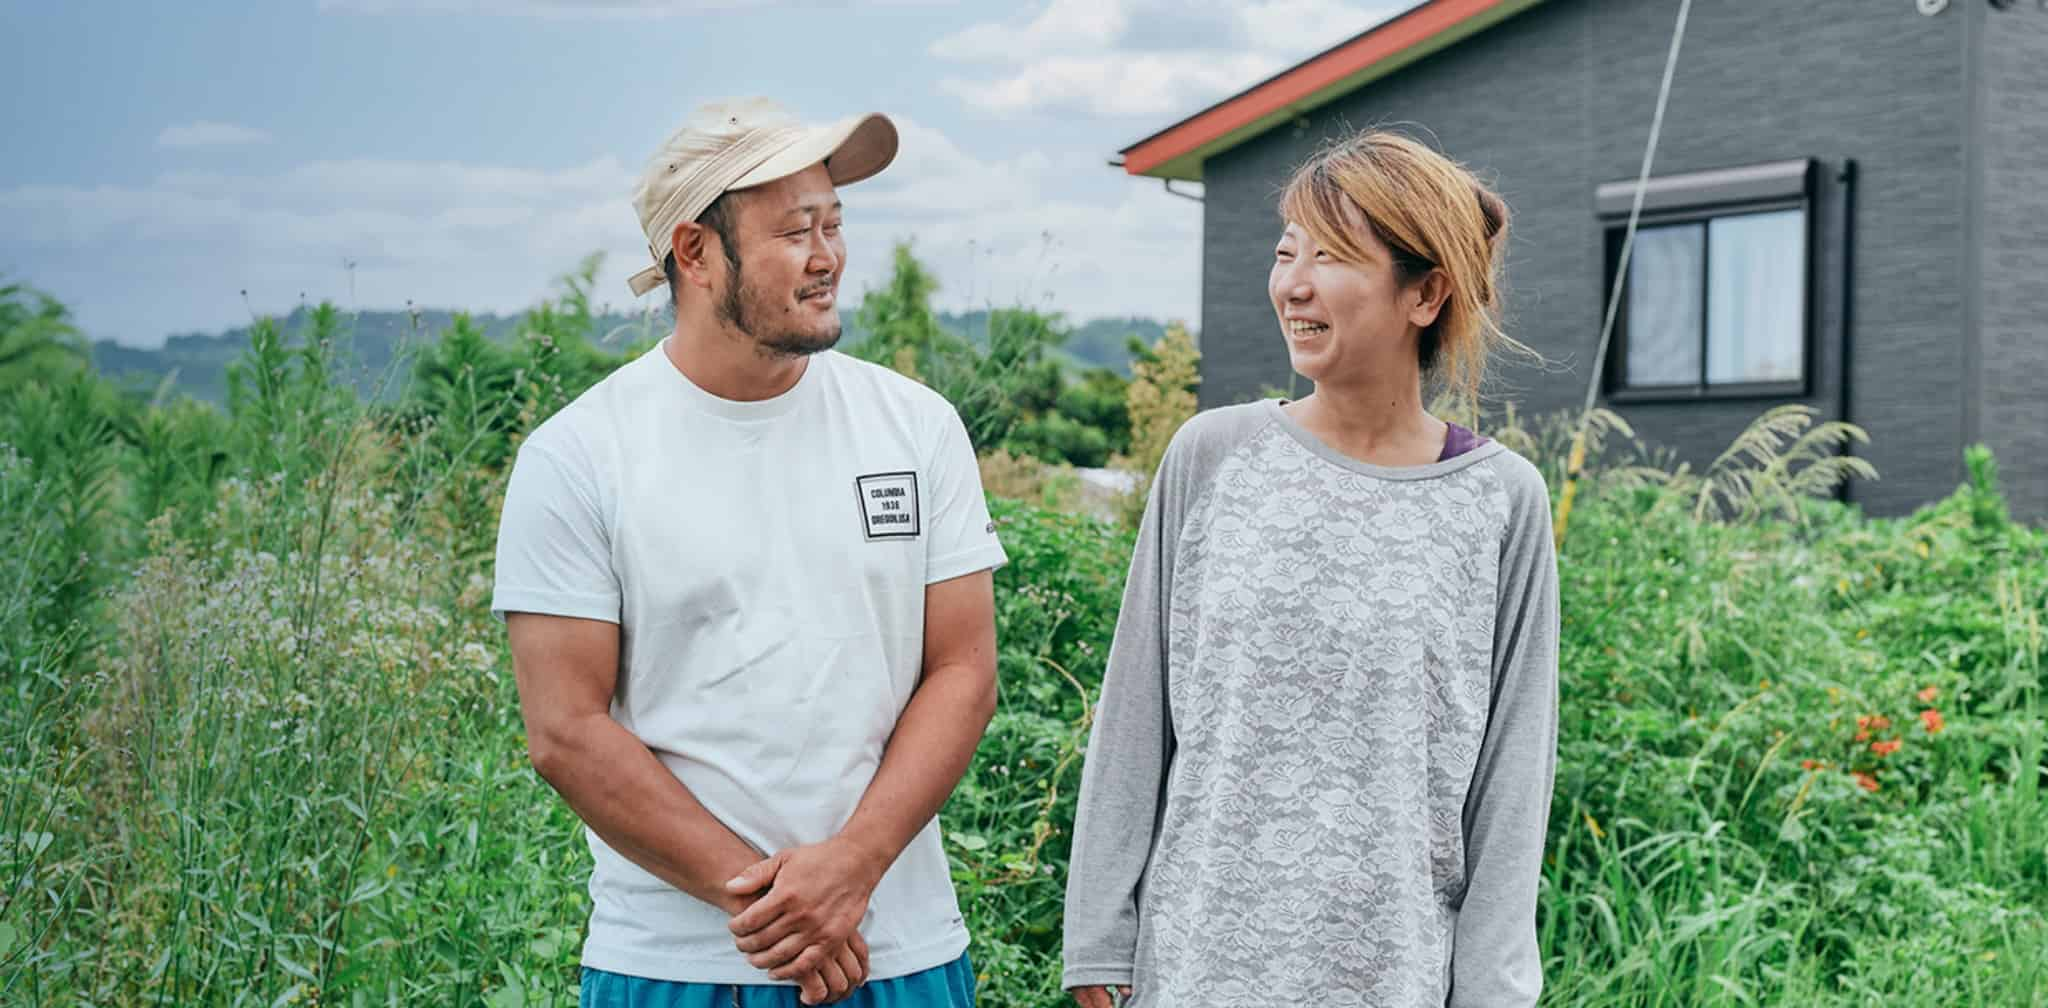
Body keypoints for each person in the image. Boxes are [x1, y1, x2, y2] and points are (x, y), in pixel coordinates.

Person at [493, 97, 1004, 1008]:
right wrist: (780, 908)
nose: (828, 257)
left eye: (835, 224)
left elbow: (962, 669)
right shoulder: (578, 457)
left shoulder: (915, 428)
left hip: (902, 949)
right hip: (677, 964)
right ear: (694, 252)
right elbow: (566, 731)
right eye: (794, 231)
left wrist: (853, 867)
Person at [1060, 130, 1559, 1007]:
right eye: (1287, 251)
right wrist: (1100, 940)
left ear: (1426, 293)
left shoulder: (1500, 502)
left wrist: (1491, 992)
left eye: (1332, 256)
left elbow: (1513, 782)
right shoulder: (1213, 455)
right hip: (1197, 966)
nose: (1294, 283)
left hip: (1394, 976)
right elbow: (1137, 711)